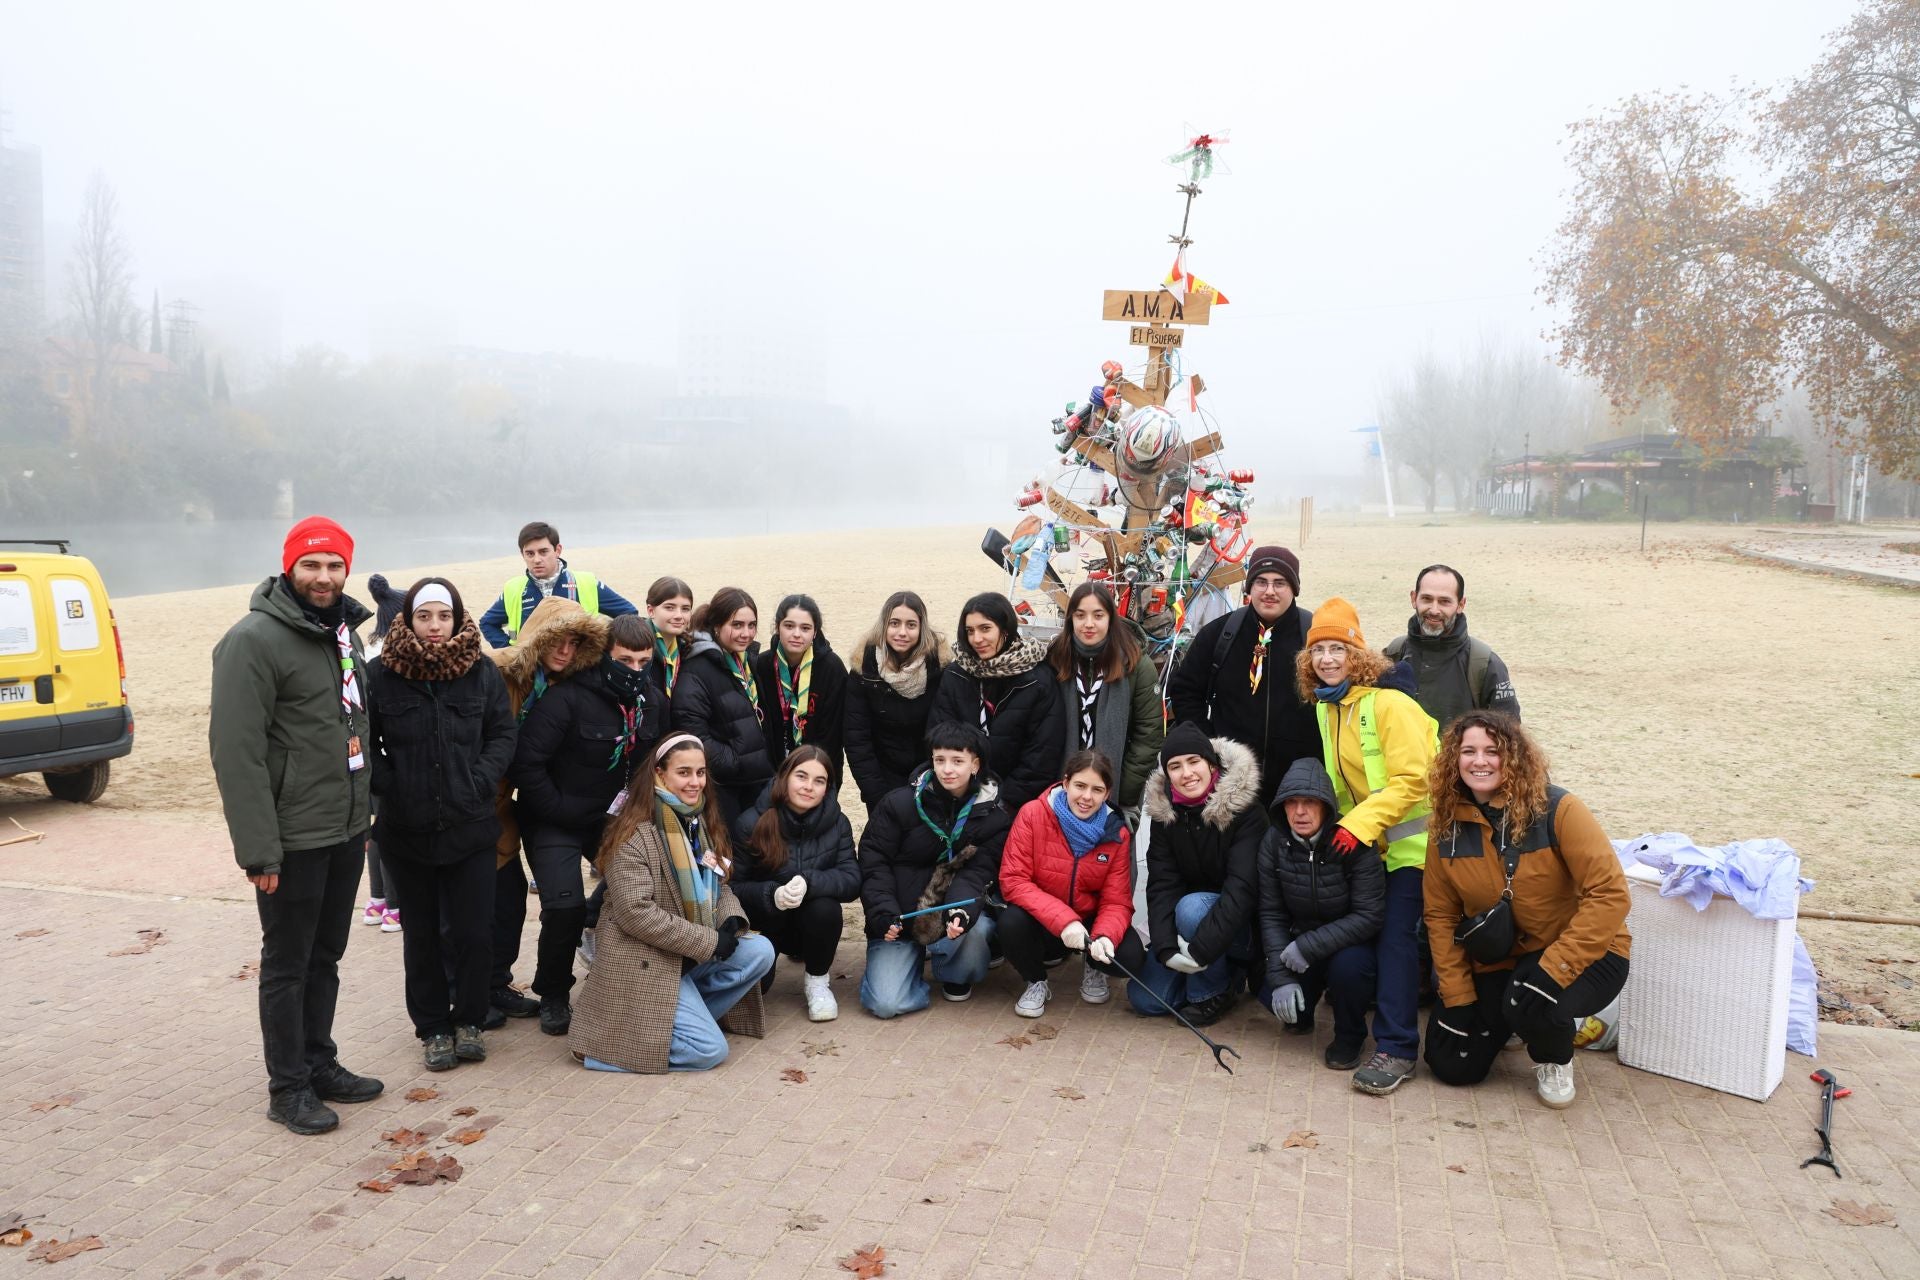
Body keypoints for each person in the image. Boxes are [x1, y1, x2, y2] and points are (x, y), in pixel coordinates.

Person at [210, 515, 383, 1135]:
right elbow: (237, 752)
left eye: (334, 565)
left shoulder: (343, 635)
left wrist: (366, 815)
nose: (324, 576)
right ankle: (288, 1088)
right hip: (291, 836)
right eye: (311, 565)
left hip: (344, 828)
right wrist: (260, 852)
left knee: (327, 955)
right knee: (288, 963)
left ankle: (319, 1061)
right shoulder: (252, 641)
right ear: (290, 568)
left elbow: (354, 727)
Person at [1422, 711, 1630, 1108]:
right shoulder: (1446, 826)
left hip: (1587, 954)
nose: (1479, 761)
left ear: (1514, 757)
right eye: (1468, 751)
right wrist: (1459, 995)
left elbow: (1610, 894)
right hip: (1503, 959)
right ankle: (1516, 1019)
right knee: (1451, 1064)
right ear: (1454, 759)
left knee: (1532, 998)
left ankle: (1554, 1055)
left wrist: (1556, 971)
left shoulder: (1559, 809)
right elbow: (1440, 916)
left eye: (1492, 751)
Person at [365, 579, 517, 1072]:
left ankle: (470, 1020)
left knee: (473, 932)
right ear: (407, 620)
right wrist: (393, 784)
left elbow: (502, 732)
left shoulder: (480, 672)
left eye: (443, 616)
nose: (434, 627)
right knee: (422, 935)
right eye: (424, 616)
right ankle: (432, 1027)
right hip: (406, 830)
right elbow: (364, 742)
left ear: (457, 618)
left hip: (470, 826)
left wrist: (479, 778)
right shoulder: (381, 674)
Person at [1297, 598, 1439, 1097]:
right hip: (1369, 846)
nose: (1328, 659)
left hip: (1416, 848)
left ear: (1358, 655)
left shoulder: (1390, 704)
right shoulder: (1328, 707)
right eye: (1319, 650)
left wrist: (1356, 826)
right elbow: (1342, 785)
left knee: (1395, 938)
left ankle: (1397, 1049)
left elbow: (1413, 779)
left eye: (1338, 648)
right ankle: (1351, 1030)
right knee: (1353, 938)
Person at [567, 735, 774, 1073]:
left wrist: (730, 921)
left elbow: (719, 884)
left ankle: (671, 1019)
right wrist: (708, 941)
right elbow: (636, 914)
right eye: (684, 772)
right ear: (660, 774)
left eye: (701, 772)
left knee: (761, 951)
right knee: (708, 1053)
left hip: (682, 954)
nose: (695, 782)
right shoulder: (632, 833)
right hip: (643, 955)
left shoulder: (700, 823)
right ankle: (607, 1050)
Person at [509, 612, 662, 1036]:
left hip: (611, 821)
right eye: (625, 660)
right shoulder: (567, 699)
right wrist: (559, 809)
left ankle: (628, 972)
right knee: (563, 906)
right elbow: (527, 764)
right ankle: (554, 992)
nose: (634, 670)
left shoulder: (653, 701)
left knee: (646, 886)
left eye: (642, 662)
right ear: (605, 656)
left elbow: (655, 765)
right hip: (553, 818)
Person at [486, 596, 610, 1026]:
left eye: (576, 643)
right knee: (479, 902)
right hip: (484, 801)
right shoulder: (500, 673)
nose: (565, 651)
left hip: (519, 805)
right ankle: (475, 992)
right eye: (557, 640)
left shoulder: (568, 684)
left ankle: (500, 985)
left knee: (511, 899)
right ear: (539, 638)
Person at [857, 722, 1011, 1016]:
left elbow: (977, 872)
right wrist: (882, 913)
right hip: (900, 916)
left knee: (978, 929)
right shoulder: (899, 803)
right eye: (939, 760)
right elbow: (874, 861)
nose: (947, 769)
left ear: (975, 765)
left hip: (948, 909)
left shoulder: (993, 817)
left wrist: (960, 913)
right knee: (886, 1004)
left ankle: (953, 974)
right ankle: (910, 971)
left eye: (957, 761)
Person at [997, 749, 1150, 1018]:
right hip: (1045, 921)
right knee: (1010, 923)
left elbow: (1116, 900)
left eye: (1097, 789)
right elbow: (1013, 880)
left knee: (1129, 956)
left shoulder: (1116, 832)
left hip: (1089, 923)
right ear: (1066, 783)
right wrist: (1065, 921)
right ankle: (1036, 981)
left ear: (1107, 794)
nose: (1086, 797)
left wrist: (1104, 936)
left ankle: (1094, 965)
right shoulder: (1032, 814)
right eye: (1080, 786)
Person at [1132, 723, 1266, 1025]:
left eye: (1194, 762)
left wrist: (1200, 952)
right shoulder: (1166, 815)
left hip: (1239, 926)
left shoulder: (1246, 813)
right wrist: (1167, 949)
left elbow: (1242, 892)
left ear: (1211, 763)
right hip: (1186, 928)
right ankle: (1210, 975)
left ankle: (1213, 992)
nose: (1186, 773)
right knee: (1145, 1000)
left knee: (1192, 908)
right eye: (1175, 766)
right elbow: (1162, 884)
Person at [1166, 545, 1317, 807]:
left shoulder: (1315, 637)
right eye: (1261, 582)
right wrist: (1210, 744)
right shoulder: (1220, 634)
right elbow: (1185, 690)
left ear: (1294, 588)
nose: (1269, 591)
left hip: (1299, 785)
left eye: (1280, 583)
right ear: (1249, 587)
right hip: (1231, 782)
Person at [1258, 758, 1385, 1069]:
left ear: (1326, 806)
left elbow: (1369, 915)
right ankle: (1304, 1009)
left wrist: (1308, 946)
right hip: (1299, 940)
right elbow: (1271, 912)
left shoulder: (1354, 840)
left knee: (1349, 971)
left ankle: (1350, 1035)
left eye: (1310, 802)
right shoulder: (1274, 840)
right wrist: (1279, 977)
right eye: (1292, 803)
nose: (1300, 812)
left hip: (1349, 944)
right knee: (1275, 999)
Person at [731, 746, 860, 1021]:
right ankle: (762, 968)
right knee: (756, 991)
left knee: (826, 908)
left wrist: (810, 882)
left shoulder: (838, 823)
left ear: (829, 787)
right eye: (801, 776)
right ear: (785, 776)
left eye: (819, 781)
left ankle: (817, 981)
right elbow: (731, 888)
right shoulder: (749, 822)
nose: (809, 787)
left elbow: (852, 880)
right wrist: (772, 894)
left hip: (812, 925)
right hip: (765, 922)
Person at [931, 592, 1062, 811]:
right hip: (959, 797)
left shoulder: (1038, 680)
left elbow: (1042, 754)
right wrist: (962, 794)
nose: (976, 639)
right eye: (970, 631)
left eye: (985, 628)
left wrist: (1002, 802)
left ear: (1006, 628)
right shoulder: (956, 674)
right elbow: (940, 734)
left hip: (1015, 804)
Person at [1047, 583, 1164, 810]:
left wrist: (1122, 794)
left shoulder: (1136, 665)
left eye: (1098, 615)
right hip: (1059, 789)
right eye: (1080, 615)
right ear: (1070, 619)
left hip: (1117, 791)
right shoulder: (1055, 659)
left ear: (1111, 618)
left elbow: (1148, 736)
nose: (1089, 624)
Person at [672, 587, 775, 820]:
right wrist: (736, 762)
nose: (746, 633)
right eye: (737, 625)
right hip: (726, 788)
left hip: (757, 781)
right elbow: (693, 730)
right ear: (716, 625)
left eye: (751, 625)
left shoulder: (746, 660)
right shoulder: (697, 668)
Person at [843, 591, 951, 808]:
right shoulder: (864, 669)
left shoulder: (940, 669)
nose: (902, 632)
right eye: (894, 623)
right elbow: (857, 739)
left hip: (931, 778)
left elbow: (945, 729)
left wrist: (932, 784)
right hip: (881, 777)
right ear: (884, 626)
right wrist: (877, 795)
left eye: (911, 625)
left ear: (922, 628)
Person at [1382, 564, 1521, 729]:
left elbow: (1509, 735)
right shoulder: (1394, 653)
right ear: (1414, 598)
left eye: (1444, 601)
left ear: (1461, 604)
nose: (1434, 610)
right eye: (1427, 599)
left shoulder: (1485, 664)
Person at [478, 520, 637, 648]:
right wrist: (510, 651)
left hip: (577, 674)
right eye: (530, 553)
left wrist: (603, 646)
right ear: (522, 554)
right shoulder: (514, 588)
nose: (537, 559)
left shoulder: (586, 583)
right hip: (530, 677)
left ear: (558, 550)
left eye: (543, 551)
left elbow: (629, 614)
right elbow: (487, 623)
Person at [360, 572, 411, 934]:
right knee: (394, 830)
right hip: (389, 756)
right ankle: (395, 907)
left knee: (378, 831)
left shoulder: (369, 645)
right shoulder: (394, 656)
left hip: (367, 757)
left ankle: (377, 901)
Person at [753, 594, 848, 786]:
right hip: (771, 774)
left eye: (805, 628)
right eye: (789, 626)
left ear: (815, 632)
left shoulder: (832, 668)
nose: (797, 634)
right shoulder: (761, 666)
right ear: (778, 627)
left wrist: (813, 775)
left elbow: (832, 736)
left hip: (818, 773)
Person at [646, 576, 696, 709]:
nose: (679, 615)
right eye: (670, 607)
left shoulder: (688, 649)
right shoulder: (637, 649)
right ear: (651, 611)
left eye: (685, 609)